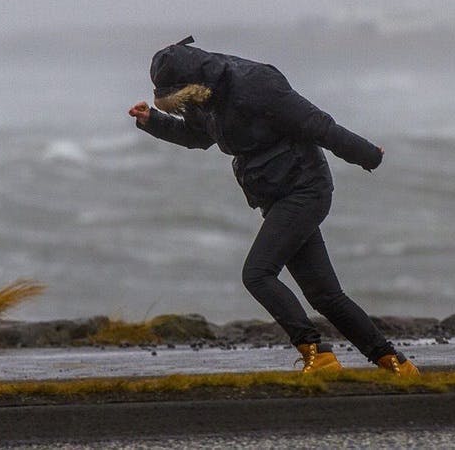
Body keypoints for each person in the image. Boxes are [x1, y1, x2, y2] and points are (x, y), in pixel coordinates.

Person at [128, 36, 418, 376]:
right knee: (324, 294)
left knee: (258, 273)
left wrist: (367, 154)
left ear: (192, 83)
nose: (180, 106)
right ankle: (395, 364)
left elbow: (318, 125)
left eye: (177, 101)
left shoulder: (256, 83)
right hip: (276, 195)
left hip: (305, 187)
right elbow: (200, 137)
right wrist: (153, 122)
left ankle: (318, 355)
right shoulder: (205, 99)